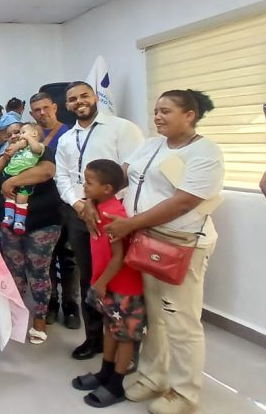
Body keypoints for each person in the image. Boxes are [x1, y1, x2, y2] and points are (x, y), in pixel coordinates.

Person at [103, 89, 223, 414]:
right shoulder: (153, 144)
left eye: (166, 111)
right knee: (155, 317)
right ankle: (153, 376)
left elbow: (183, 201)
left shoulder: (205, 152)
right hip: (147, 240)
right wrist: (94, 198)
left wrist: (130, 224)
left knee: (181, 321)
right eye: (156, 111)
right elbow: (122, 174)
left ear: (190, 115)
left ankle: (184, 393)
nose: (158, 117)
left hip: (181, 245)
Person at [55, 81, 144, 360]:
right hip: (80, 215)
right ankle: (94, 338)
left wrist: (99, 203)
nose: (78, 101)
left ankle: (125, 345)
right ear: (67, 105)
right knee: (89, 278)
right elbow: (63, 177)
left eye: (84, 95)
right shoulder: (67, 138)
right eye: (72, 99)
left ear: (95, 97)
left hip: (116, 216)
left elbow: (131, 171)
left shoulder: (122, 128)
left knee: (118, 278)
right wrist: (80, 204)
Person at [71, 160, 145, 408]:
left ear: (107, 188)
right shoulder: (98, 206)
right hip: (107, 283)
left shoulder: (114, 214)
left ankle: (116, 383)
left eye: (89, 182)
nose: (84, 185)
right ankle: (105, 372)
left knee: (124, 336)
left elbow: (118, 257)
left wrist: (100, 282)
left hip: (123, 286)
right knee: (110, 328)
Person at [0, 129, 62, 345]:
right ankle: (14, 314)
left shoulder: (44, 151)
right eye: (15, 133)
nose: (18, 135)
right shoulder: (9, 154)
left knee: (38, 272)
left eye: (23, 132)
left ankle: (40, 318)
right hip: (9, 223)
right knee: (13, 270)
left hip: (42, 223)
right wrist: (8, 153)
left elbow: (46, 172)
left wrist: (11, 182)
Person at [29, 92, 77, 328]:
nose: (42, 113)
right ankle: (50, 304)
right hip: (41, 206)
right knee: (44, 260)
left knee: (68, 259)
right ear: (31, 113)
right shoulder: (29, 135)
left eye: (45, 108)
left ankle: (71, 306)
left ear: (55, 107)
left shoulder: (69, 135)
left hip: (67, 204)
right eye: (36, 110)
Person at [1, 123, 46, 235]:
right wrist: (18, 145)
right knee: (9, 196)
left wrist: (28, 139)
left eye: (23, 133)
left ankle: (19, 222)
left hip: (25, 179)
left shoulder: (39, 146)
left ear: (34, 134)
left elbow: (36, 149)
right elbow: (9, 151)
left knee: (21, 198)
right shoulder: (20, 147)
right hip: (10, 174)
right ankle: (9, 217)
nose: (20, 135)